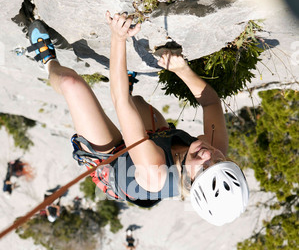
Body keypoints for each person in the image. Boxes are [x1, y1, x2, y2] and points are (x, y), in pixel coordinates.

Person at [27, 15, 249, 226]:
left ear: (190, 183)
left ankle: (47, 60)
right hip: (153, 144)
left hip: (114, 165)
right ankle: (128, 88)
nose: (209, 154)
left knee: (70, 84)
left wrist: (118, 37)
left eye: (204, 169)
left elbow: (119, 101)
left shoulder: (155, 171)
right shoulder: (214, 148)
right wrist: (182, 70)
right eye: (220, 161)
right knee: (138, 102)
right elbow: (211, 103)